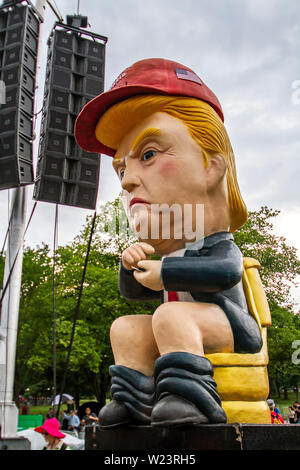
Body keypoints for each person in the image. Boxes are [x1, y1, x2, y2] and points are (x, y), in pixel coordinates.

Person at [75, 58, 263, 428]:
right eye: (122, 169)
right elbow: (135, 295)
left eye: (148, 154)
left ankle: (191, 397)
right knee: (126, 327)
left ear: (212, 164)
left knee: (171, 315)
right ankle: (135, 401)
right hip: (178, 327)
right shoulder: (166, 252)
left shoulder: (216, 244)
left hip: (231, 329)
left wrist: (166, 273)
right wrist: (130, 267)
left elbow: (225, 272)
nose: (127, 182)